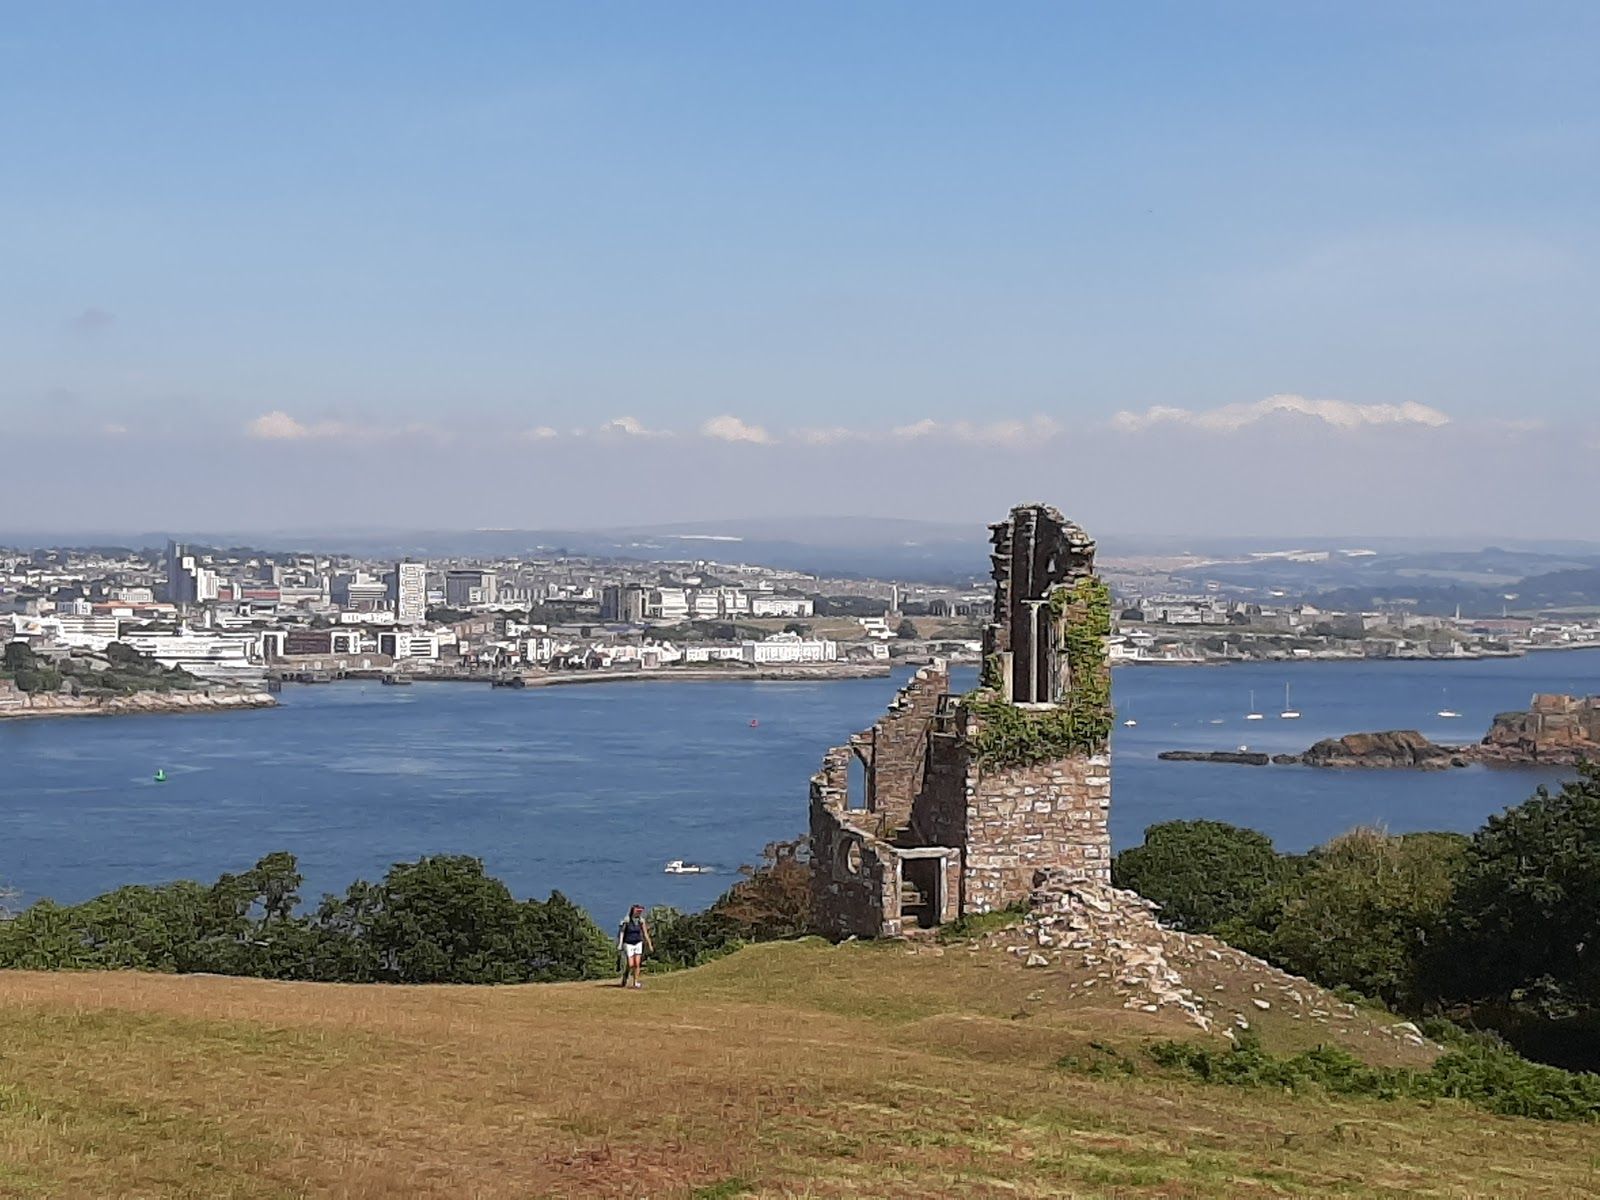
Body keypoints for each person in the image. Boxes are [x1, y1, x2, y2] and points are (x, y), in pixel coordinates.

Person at [617, 904, 652, 989]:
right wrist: (620, 944)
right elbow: (622, 932)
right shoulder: (627, 920)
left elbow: (645, 933)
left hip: (638, 942)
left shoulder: (641, 921)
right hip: (628, 943)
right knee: (631, 964)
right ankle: (625, 976)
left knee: (637, 963)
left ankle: (635, 982)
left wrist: (649, 944)